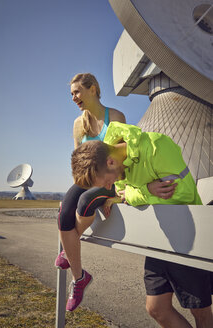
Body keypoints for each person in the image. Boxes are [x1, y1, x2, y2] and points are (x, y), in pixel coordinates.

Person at [71, 121, 213, 328]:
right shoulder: (117, 166)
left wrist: (136, 193)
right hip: (157, 242)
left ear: (110, 162)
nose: (109, 187)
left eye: (106, 183)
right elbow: (125, 194)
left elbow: (180, 194)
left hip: (186, 240)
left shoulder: (157, 146)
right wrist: (137, 193)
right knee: (156, 308)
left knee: (200, 312)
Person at [55, 73, 127, 312]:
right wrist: (72, 192)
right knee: (65, 211)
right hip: (87, 180)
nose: (74, 97)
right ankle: (80, 279)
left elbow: (125, 158)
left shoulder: (115, 117)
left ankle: (68, 248)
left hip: (109, 181)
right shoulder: (78, 124)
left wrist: (117, 195)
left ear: (93, 89)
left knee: (86, 201)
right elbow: (78, 164)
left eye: (77, 92)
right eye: (71, 94)